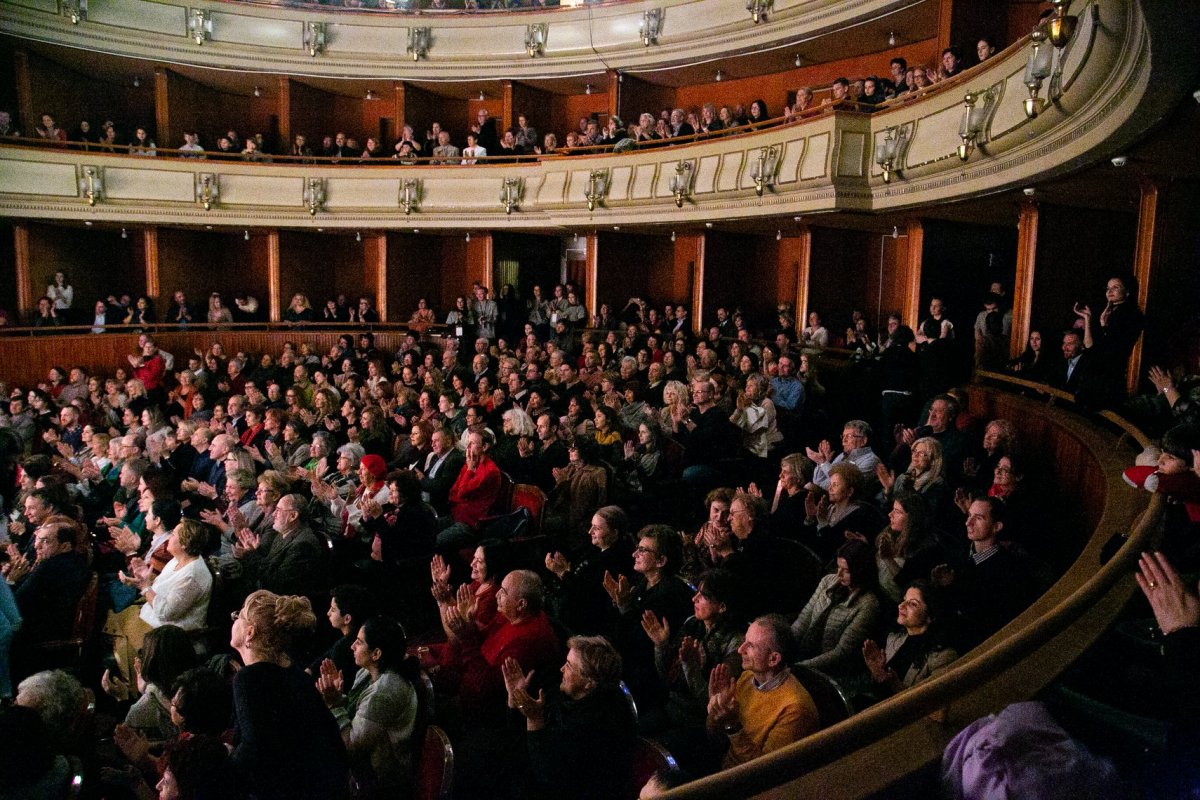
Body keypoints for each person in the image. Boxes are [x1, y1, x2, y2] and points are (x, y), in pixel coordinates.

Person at [229, 590, 349, 800]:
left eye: (239, 616)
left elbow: (253, 750)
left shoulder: (249, 679)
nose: (234, 619)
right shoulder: (293, 672)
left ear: (250, 633)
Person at [503, 635, 637, 800]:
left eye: (569, 666)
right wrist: (515, 697)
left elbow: (550, 780)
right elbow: (519, 738)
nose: (561, 669)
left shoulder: (600, 726)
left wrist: (535, 720)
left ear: (589, 682)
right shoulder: (569, 695)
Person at [317, 616, 420, 799]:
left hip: (382, 784)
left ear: (376, 654)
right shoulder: (365, 673)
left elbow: (350, 748)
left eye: (359, 642)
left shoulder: (385, 691)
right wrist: (339, 698)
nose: (352, 647)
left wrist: (333, 704)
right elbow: (358, 716)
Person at [705, 614, 819, 768]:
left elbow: (764, 770)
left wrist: (733, 725)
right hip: (725, 765)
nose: (740, 649)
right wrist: (716, 711)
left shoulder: (795, 709)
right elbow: (716, 738)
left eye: (750, 646)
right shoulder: (747, 677)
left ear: (773, 659)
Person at [792, 539, 881, 676]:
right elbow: (804, 619)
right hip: (803, 652)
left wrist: (799, 668)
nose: (839, 574)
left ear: (860, 571)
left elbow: (841, 653)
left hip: (830, 671)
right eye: (838, 567)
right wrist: (784, 645)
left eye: (846, 570)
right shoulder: (828, 581)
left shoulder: (868, 604)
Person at [861, 580, 958, 700]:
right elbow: (878, 690)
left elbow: (935, 708)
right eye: (904, 600)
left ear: (930, 616)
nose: (901, 606)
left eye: (913, 604)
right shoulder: (894, 638)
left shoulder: (943, 656)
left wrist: (896, 686)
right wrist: (877, 672)